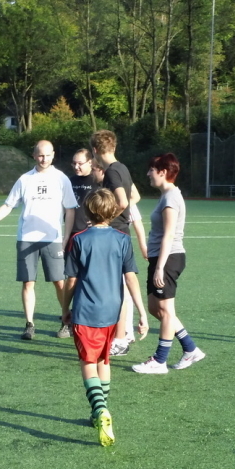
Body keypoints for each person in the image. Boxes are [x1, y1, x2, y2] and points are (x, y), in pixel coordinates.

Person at [62, 188, 149, 446]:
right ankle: (98, 412)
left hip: (86, 310)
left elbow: (71, 280)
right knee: (104, 359)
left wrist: (65, 308)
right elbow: (130, 278)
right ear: (112, 212)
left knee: (87, 362)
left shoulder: (79, 239)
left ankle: (100, 410)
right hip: (113, 311)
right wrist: (142, 312)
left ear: (87, 211)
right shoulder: (122, 238)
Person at [0, 140, 77, 340]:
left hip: (53, 239)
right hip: (26, 239)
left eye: (47, 155)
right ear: (34, 155)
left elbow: (70, 210)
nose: (44, 159)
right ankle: (29, 324)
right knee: (28, 283)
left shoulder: (61, 179)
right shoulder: (24, 179)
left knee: (59, 282)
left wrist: (65, 238)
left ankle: (66, 321)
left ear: (53, 155)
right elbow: (8, 205)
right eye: (40, 155)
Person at [132, 153, 206, 374]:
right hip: (159, 257)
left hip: (169, 258)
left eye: (151, 170)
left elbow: (169, 234)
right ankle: (190, 349)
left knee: (165, 310)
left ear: (162, 172)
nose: (148, 174)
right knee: (155, 308)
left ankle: (160, 360)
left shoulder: (171, 197)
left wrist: (160, 267)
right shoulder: (165, 196)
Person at [90, 130, 140, 356]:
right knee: (118, 288)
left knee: (115, 290)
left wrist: (104, 220)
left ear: (95, 150)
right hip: (121, 233)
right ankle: (120, 336)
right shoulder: (123, 168)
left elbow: (122, 201)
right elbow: (134, 197)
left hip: (114, 234)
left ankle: (120, 339)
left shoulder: (111, 171)